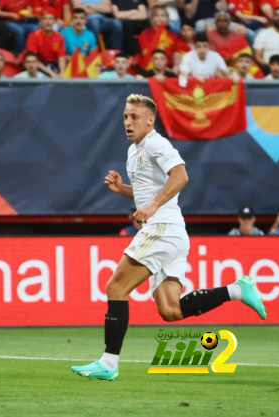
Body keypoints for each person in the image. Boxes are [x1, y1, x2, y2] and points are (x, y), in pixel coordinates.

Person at [70, 94, 266, 381]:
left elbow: (180, 176)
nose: (128, 122)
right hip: (172, 232)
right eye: (125, 117)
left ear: (150, 120)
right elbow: (146, 192)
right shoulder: (134, 151)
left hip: (161, 228)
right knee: (171, 310)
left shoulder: (156, 143)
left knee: (116, 288)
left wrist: (151, 207)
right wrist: (123, 189)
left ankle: (109, 363)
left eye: (134, 117)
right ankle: (237, 289)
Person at [25, 7, 66, 76]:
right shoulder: (33, 36)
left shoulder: (59, 37)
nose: (48, 21)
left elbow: (61, 57)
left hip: (53, 65)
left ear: (55, 21)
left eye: (50, 19)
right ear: (40, 21)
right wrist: (52, 74)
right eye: (45, 18)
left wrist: (62, 72)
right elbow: (33, 59)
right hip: (38, 67)